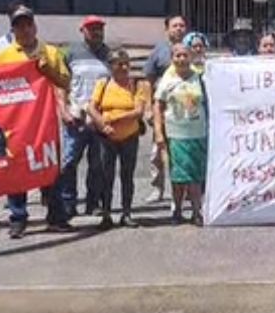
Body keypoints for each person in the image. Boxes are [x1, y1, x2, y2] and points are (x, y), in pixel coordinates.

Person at [0, 5, 73, 239]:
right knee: (16, 169)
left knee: (50, 167)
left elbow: (65, 83)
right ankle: (18, 218)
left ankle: (56, 216)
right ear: (13, 30)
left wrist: (48, 71)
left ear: (34, 26)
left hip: (45, 123)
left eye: (28, 25)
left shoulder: (50, 52)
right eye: (19, 26)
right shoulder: (3, 56)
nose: (25, 30)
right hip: (15, 124)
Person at [89, 49, 151, 230]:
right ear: (111, 66)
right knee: (106, 176)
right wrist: (103, 125)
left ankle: (126, 213)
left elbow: (138, 111)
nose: (124, 67)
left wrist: (114, 118)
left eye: (126, 63)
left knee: (127, 175)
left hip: (129, 136)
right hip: (107, 137)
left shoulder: (136, 85)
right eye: (119, 64)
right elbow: (91, 108)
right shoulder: (103, 84)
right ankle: (106, 214)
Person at [59, 15, 111, 219]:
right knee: (69, 162)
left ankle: (93, 203)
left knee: (98, 164)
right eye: (91, 28)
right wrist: (63, 110)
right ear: (82, 31)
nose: (96, 32)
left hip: (99, 119)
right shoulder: (70, 53)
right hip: (76, 118)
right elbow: (60, 84)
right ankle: (68, 203)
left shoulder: (109, 54)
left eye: (99, 28)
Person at [155, 37, 209, 225]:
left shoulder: (200, 77)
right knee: (178, 176)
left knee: (196, 175)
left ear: (191, 57)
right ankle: (176, 211)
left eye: (185, 55)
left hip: (197, 133)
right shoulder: (167, 80)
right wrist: (159, 133)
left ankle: (196, 211)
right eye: (177, 55)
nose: (181, 59)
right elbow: (158, 106)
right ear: (172, 58)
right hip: (175, 135)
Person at [143, 15, 188, 204]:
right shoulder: (158, 51)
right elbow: (148, 81)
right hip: (162, 109)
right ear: (167, 29)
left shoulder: (190, 48)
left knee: (184, 151)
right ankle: (157, 188)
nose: (178, 28)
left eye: (182, 25)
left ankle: (186, 190)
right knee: (158, 151)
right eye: (174, 25)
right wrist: (148, 107)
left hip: (186, 111)